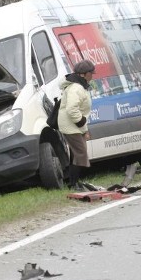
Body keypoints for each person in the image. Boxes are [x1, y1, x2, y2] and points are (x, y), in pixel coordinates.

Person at [58, 60, 96, 190]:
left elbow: (83, 112)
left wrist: (84, 130)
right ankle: (73, 184)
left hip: (74, 124)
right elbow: (72, 109)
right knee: (81, 153)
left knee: (76, 154)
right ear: (83, 74)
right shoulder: (76, 88)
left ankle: (74, 183)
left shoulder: (81, 86)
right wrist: (80, 123)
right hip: (70, 124)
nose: (93, 75)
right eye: (91, 73)